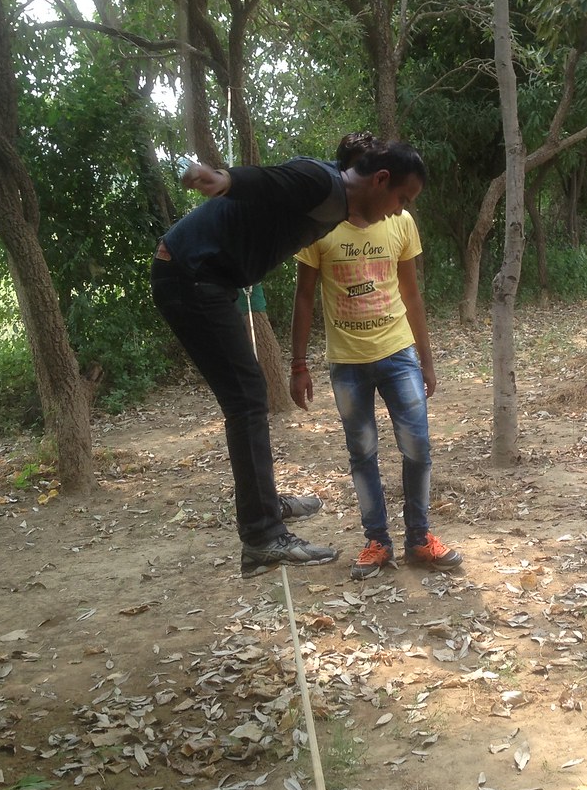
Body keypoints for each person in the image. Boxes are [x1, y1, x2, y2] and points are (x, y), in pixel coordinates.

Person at [152, 142, 428, 578]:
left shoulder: (341, 199)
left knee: (250, 396)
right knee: (247, 398)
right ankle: (262, 536)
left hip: (210, 279)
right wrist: (226, 180)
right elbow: (276, 178)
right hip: (190, 274)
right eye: (401, 199)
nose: (399, 211)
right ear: (380, 180)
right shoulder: (323, 182)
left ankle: (265, 506)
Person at [290, 133, 463, 580]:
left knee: (418, 447)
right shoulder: (321, 225)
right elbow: (304, 297)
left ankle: (420, 538)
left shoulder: (400, 223)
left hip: (398, 352)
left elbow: (411, 292)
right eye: (399, 195)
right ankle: (377, 542)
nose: (400, 205)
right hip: (346, 364)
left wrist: (426, 359)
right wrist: (298, 363)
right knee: (362, 452)